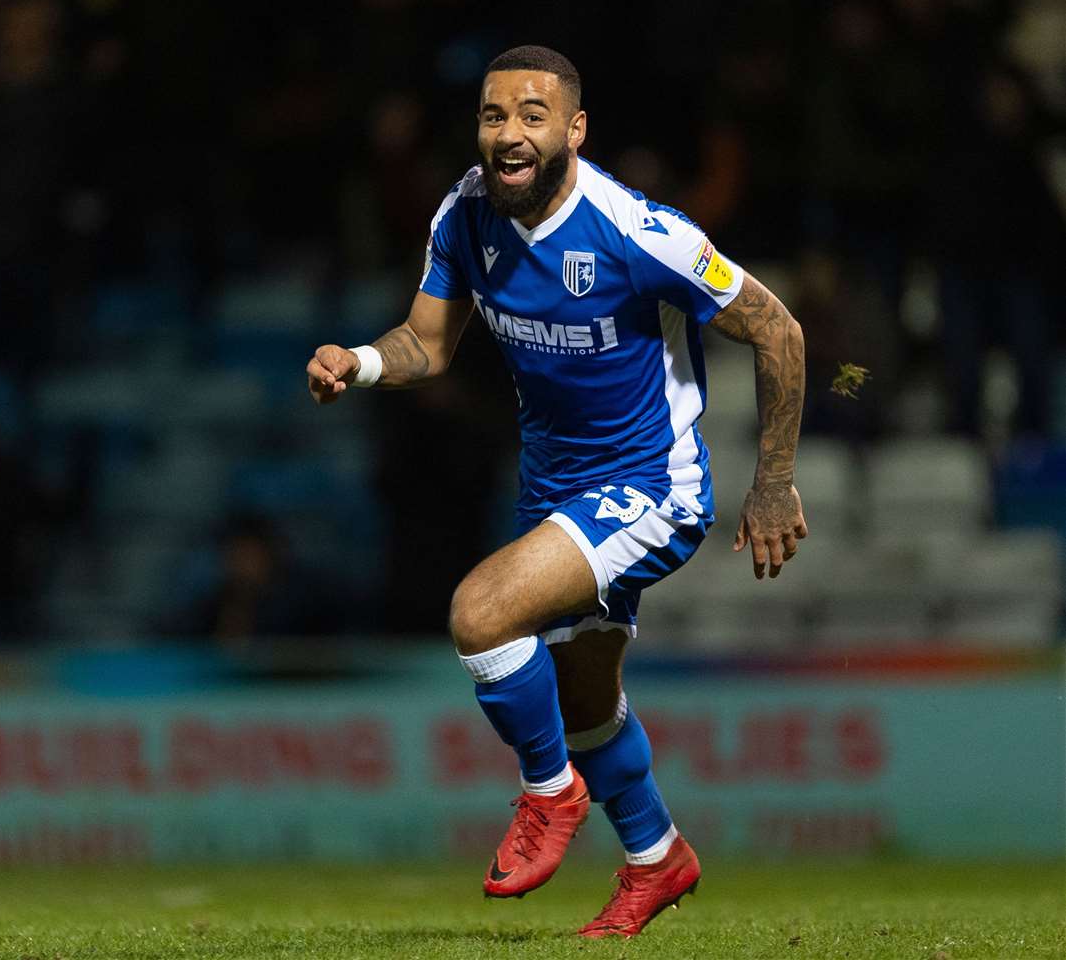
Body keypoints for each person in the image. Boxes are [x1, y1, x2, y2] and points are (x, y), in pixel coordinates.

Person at [306, 46, 807, 937]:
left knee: (480, 613)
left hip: (651, 486)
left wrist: (771, 481)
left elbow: (778, 330)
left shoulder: (637, 232)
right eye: (494, 116)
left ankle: (549, 795)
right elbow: (429, 342)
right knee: (581, 702)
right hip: (554, 492)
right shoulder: (463, 214)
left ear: (573, 130)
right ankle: (657, 860)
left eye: (533, 116)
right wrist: (364, 361)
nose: (509, 134)